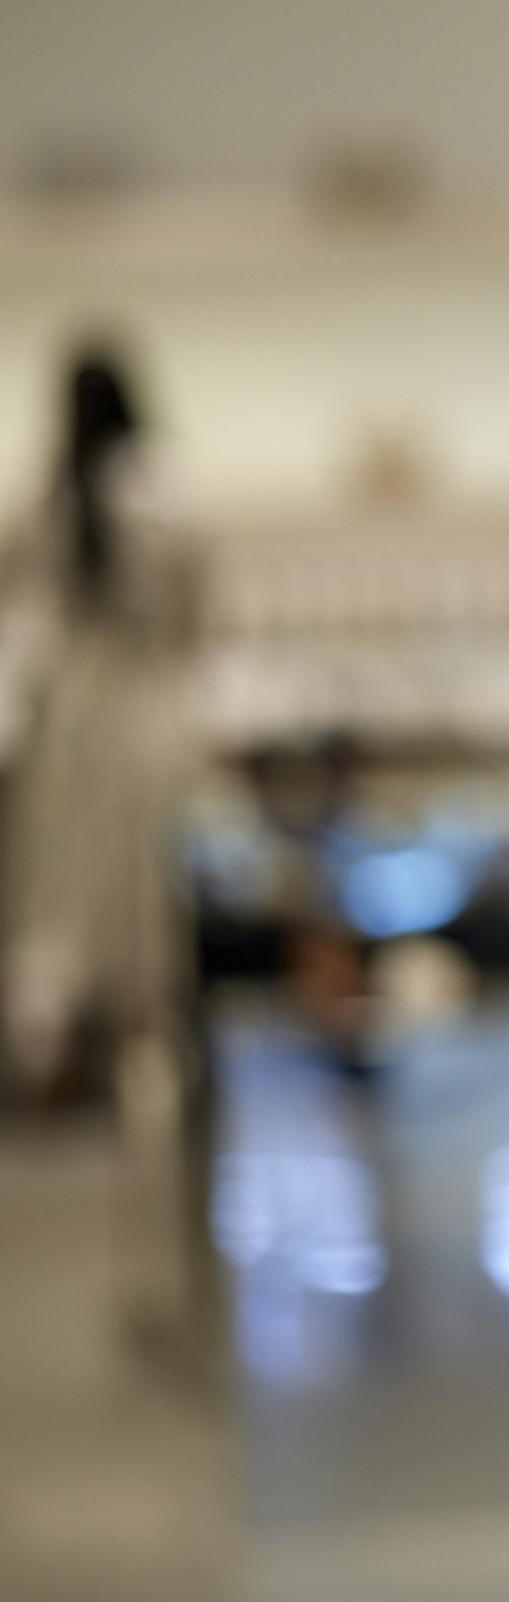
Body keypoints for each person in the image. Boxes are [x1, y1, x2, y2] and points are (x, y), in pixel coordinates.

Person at [0, 336, 213, 1350]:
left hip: (76, 755)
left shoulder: (49, 507)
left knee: (98, 981)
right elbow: (195, 624)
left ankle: (154, 1244)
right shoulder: (157, 495)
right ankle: (163, 1244)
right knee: (152, 1006)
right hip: (142, 755)